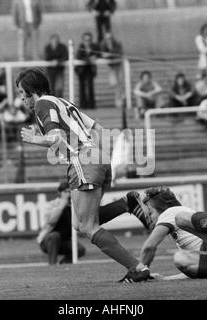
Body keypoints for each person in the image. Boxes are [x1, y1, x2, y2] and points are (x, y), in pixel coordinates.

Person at [17, 68, 150, 282]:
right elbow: (97, 127)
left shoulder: (43, 104)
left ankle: (138, 268)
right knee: (79, 223)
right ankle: (128, 204)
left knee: (87, 225)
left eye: (22, 92)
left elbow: (56, 137)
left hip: (82, 160)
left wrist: (33, 139)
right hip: (94, 157)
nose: (22, 98)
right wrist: (98, 155)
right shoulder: (64, 103)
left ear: (32, 90)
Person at [120, 188, 207, 282]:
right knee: (181, 258)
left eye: (150, 212)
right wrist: (165, 279)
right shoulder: (185, 216)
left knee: (181, 219)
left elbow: (149, 247)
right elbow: (196, 269)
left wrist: (140, 271)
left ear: (161, 208)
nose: (149, 217)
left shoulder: (169, 213)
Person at [37, 181, 86, 264]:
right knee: (55, 236)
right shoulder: (52, 205)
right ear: (59, 193)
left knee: (80, 249)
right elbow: (50, 221)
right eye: (65, 192)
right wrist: (61, 206)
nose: (68, 194)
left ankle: (64, 264)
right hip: (48, 241)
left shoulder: (73, 207)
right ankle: (52, 265)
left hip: (65, 241)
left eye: (69, 192)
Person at [99, 32, 124, 108]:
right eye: (107, 38)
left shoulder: (117, 44)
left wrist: (109, 54)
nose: (109, 40)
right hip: (111, 67)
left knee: (119, 83)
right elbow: (103, 55)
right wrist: (110, 55)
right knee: (114, 83)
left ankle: (119, 100)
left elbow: (119, 53)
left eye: (110, 38)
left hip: (119, 65)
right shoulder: (104, 45)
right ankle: (119, 98)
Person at [76, 32, 99, 110]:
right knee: (82, 87)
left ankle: (91, 105)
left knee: (90, 87)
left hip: (90, 69)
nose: (87, 41)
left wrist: (94, 56)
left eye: (89, 40)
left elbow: (99, 54)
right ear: (83, 40)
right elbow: (79, 56)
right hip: (81, 70)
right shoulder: (80, 47)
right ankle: (83, 105)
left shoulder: (94, 47)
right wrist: (89, 58)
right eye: (86, 40)